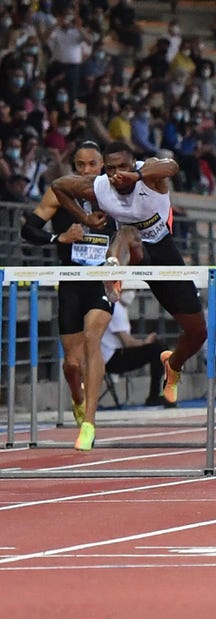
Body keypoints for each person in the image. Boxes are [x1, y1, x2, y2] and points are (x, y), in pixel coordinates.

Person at [51, 141, 208, 407]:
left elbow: (172, 165)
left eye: (122, 167)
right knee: (127, 232)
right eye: (110, 169)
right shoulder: (100, 187)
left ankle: (174, 364)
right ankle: (113, 273)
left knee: (197, 332)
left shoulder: (150, 176)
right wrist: (85, 218)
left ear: (133, 164)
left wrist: (135, 175)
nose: (116, 174)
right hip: (128, 249)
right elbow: (59, 186)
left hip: (162, 253)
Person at [19, 141, 110, 451]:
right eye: (81, 165)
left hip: (99, 282)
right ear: (74, 167)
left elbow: (129, 231)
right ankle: (77, 396)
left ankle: (90, 422)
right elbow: (28, 230)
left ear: (102, 167)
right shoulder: (59, 192)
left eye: (92, 165)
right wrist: (61, 237)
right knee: (71, 364)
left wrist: (118, 263)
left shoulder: (112, 194)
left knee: (92, 340)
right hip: (70, 282)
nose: (86, 170)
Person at [101, 290, 172, 407]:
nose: (132, 293)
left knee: (159, 348)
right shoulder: (115, 308)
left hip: (116, 354)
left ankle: (157, 393)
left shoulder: (121, 308)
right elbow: (127, 342)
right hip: (111, 358)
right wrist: (145, 342)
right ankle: (154, 395)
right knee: (158, 349)